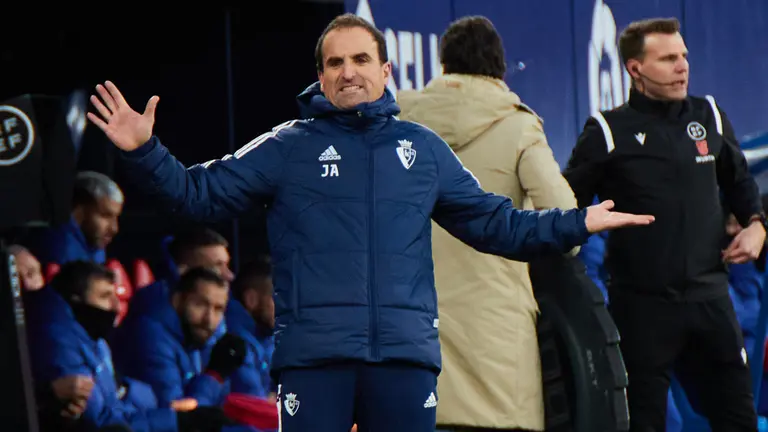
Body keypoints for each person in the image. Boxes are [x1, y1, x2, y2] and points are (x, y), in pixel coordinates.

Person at [87, 13, 653, 432]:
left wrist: (578, 221)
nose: (348, 72)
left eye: (361, 60)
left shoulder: (424, 149)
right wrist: (145, 151)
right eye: (335, 62)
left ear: (386, 70)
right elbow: (196, 195)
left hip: (403, 363)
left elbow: (497, 225)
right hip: (314, 363)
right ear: (321, 75)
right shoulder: (287, 147)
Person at [563, 17, 765, 431]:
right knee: (645, 424)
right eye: (668, 58)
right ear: (635, 70)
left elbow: (741, 182)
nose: (682, 66)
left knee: (739, 420)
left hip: (711, 299)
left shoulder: (707, 114)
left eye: (685, 56)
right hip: (643, 309)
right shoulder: (606, 130)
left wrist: (758, 224)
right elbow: (567, 207)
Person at [397, 16, 577, 432]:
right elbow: (565, 221)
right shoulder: (517, 124)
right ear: (501, 67)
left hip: (413, 332)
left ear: (443, 65)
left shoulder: (400, 122)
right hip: (496, 338)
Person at [23, 260, 227, 432]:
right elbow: (100, 422)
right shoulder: (58, 342)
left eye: (114, 296)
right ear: (76, 300)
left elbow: (119, 407)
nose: (115, 306)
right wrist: (176, 420)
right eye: (104, 296)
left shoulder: (96, 339)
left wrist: (127, 391)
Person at [28, 171, 123, 266]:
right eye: (105, 215)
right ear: (78, 211)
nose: (114, 228)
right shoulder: (60, 248)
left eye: (116, 217)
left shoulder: (94, 237)